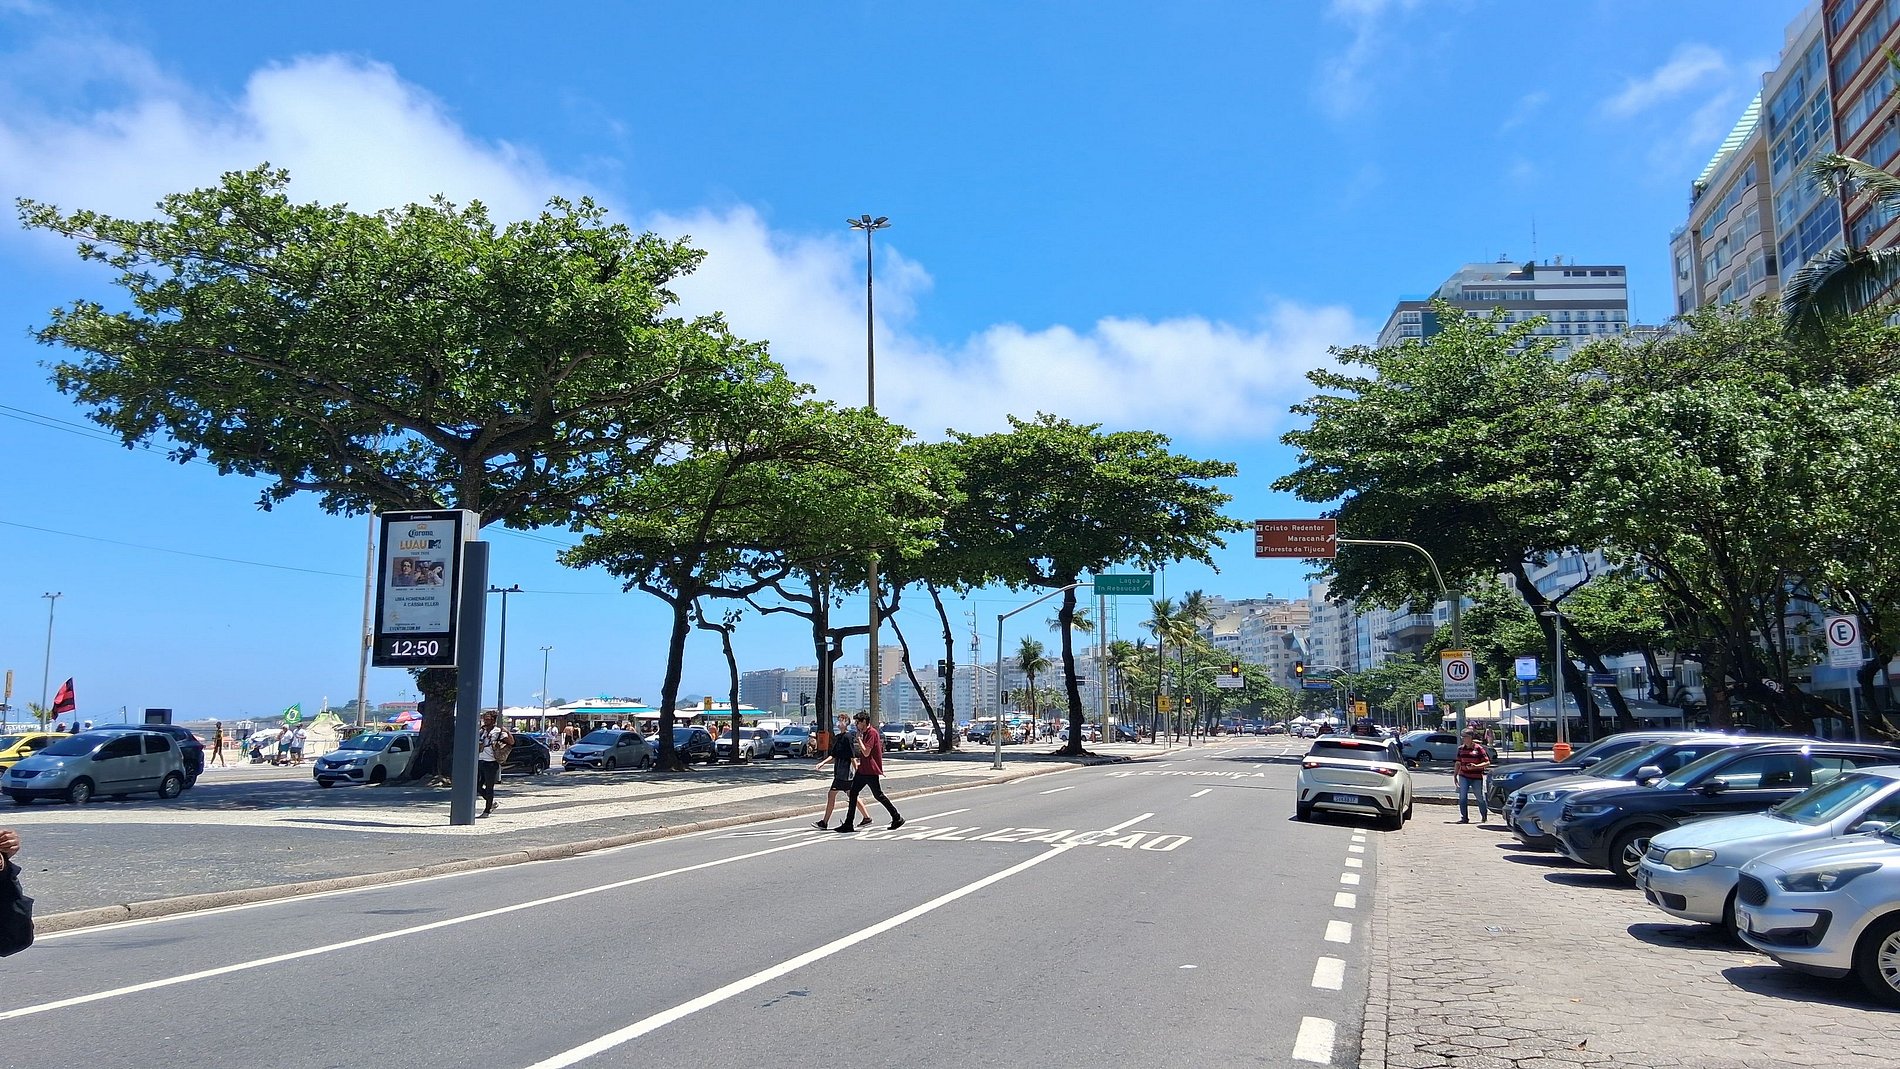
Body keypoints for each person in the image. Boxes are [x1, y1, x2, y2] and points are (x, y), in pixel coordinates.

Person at [839, 712, 903, 833]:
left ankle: (897, 817)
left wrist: (859, 739)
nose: (856, 725)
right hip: (863, 770)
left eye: (858, 722)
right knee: (853, 793)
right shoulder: (866, 733)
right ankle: (848, 823)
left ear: (864, 722)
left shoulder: (872, 733)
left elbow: (866, 752)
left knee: (878, 795)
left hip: (870, 771)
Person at [812, 714, 871, 830]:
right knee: (851, 795)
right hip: (839, 771)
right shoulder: (838, 737)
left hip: (845, 773)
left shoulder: (848, 737)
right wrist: (822, 763)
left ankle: (824, 822)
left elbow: (852, 756)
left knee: (833, 794)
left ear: (847, 723)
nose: (839, 723)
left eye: (842, 721)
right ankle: (866, 817)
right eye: (838, 720)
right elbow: (833, 755)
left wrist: (857, 771)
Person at [1454, 728, 1493, 824]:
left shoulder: (1478, 748)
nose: (1463, 739)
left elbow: (1487, 762)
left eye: (1465, 737)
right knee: (1462, 796)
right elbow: (1458, 763)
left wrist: (1476, 766)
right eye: (1462, 737)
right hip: (1463, 775)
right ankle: (1464, 818)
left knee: (1479, 797)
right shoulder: (1460, 749)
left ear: (1471, 737)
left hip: (1476, 777)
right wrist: (1455, 775)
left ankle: (1484, 816)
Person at [477, 711, 511, 817]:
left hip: (491, 762)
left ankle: (487, 811)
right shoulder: (482, 731)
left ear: (493, 720)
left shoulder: (498, 731)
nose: (485, 721)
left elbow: (511, 742)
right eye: (484, 719)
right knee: (476, 786)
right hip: (480, 760)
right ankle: (491, 802)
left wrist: (507, 732)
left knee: (489, 787)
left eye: (487, 719)